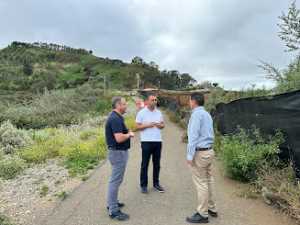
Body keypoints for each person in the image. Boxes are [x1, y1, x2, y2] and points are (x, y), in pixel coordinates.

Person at [186, 93, 218, 224]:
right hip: (209, 151)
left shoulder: (196, 115)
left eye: (190, 100)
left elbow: (193, 137)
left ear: (193, 101)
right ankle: (212, 208)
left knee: (201, 183)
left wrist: (189, 155)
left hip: (200, 153)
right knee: (209, 180)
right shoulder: (207, 114)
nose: (189, 102)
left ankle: (202, 214)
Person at [105, 96, 134, 221]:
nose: (126, 106)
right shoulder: (115, 118)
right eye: (124, 104)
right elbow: (119, 138)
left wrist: (126, 131)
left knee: (116, 180)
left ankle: (112, 202)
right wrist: (129, 134)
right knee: (115, 181)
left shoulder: (116, 117)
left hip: (117, 152)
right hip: (117, 153)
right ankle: (113, 210)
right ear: (118, 105)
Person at [135, 92, 165, 194]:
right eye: (152, 100)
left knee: (157, 164)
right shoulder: (141, 113)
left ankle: (156, 184)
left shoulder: (159, 113)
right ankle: (143, 185)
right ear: (147, 101)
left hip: (157, 141)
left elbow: (163, 125)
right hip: (146, 142)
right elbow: (137, 127)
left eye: (156, 100)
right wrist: (147, 125)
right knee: (145, 164)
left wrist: (159, 125)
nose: (154, 101)